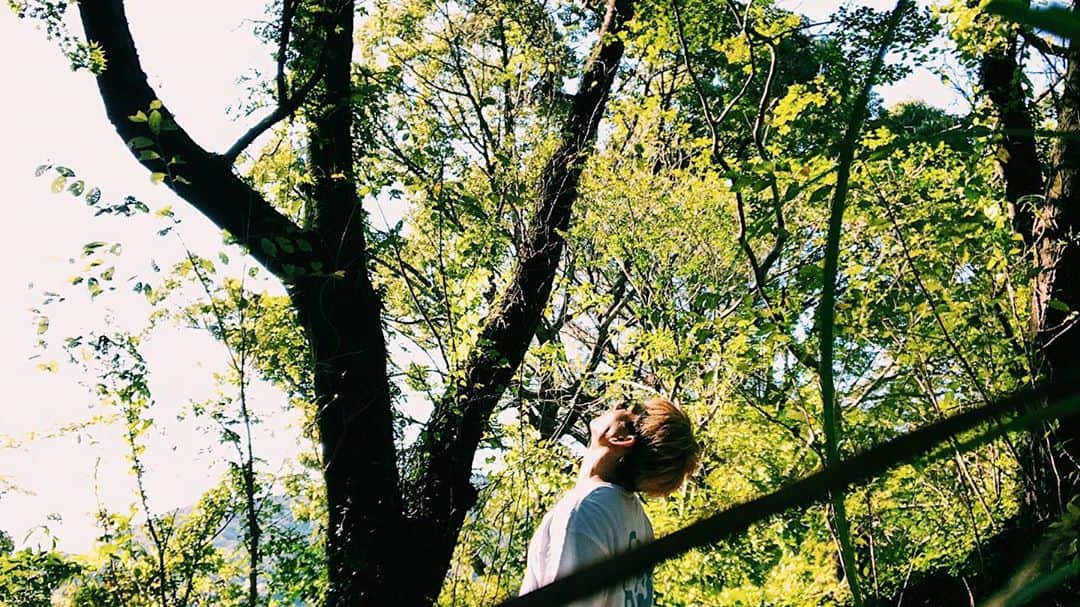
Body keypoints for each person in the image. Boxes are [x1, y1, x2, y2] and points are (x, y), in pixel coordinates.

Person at [519, 397, 701, 606]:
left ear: (621, 439)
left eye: (628, 410)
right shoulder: (639, 523)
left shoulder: (586, 511)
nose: (617, 406)